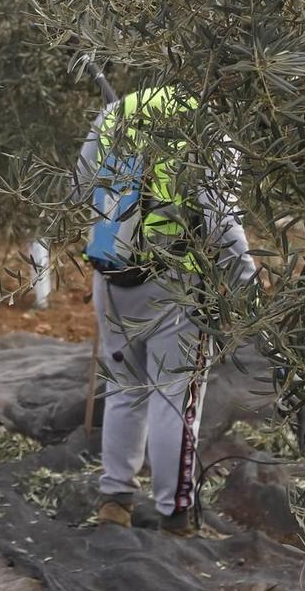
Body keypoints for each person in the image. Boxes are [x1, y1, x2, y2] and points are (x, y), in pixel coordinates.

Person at [77, 85, 252, 536]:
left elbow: (81, 186)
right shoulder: (203, 124)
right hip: (178, 284)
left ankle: (114, 499)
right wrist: (248, 285)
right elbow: (221, 223)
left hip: (113, 276)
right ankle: (176, 513)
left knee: (124, 389)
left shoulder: (116, 112)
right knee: (174, 398)